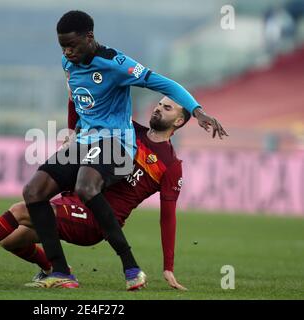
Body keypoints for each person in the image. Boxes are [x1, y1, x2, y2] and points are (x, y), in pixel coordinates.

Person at [0, 96, 227, 291]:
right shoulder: (126, 131)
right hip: (73, 201)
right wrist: (75, 96)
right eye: (159, 103)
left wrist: (168, 267)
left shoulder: (171, 165)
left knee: (21, 209)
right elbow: (83, 118)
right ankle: (51, 269)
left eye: (168, 107)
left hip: (96, 220)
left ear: (179, 121)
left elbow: (167, 218)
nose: (160, 108)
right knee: (10, 241)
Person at [21, 10, 228, 289]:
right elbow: (76, 100)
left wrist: (198, 111)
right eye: (62, 46)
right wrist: (72, 132)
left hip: (117, 144)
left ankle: (130, 266)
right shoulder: (68, 63)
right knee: (33, 192)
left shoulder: (116, 64)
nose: (67, 52)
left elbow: (165, 83)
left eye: (72, 45)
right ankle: (60, 271)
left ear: (89, 37)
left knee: (86, 185)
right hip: (85, 142)